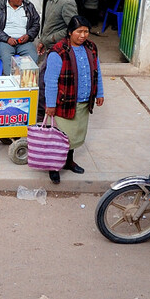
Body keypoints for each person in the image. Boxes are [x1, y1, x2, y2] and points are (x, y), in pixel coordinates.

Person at [43, 15, 105, 185]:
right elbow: (50, 80)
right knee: (60, 138)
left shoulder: (91, 47)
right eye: (79, 31)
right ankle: (54, 168)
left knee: (75, 136)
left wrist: (99, 93)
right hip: (64, 102)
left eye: (86, 31)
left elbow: (96, 71)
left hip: (84, 102)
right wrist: (50, 104)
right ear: (70, 32)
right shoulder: (58, 51)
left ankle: (69, 162)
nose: (83, 35)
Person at [37, 0, 78, 120]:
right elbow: (49, 23)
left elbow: (72, 28)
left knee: (44, 79)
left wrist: (52, 38)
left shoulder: (67, 2)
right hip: (50, 45)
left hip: (59, 48)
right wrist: (43, 40)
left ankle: (42, 114)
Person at [0, 0, 40, 74]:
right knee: (7, 59)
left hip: (24, 41)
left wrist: (28, 35)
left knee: (33, 57)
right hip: (5, 42)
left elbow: (36, 24)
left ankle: (24, 80)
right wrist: (7, 38)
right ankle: (12, 82)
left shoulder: (28, 6)